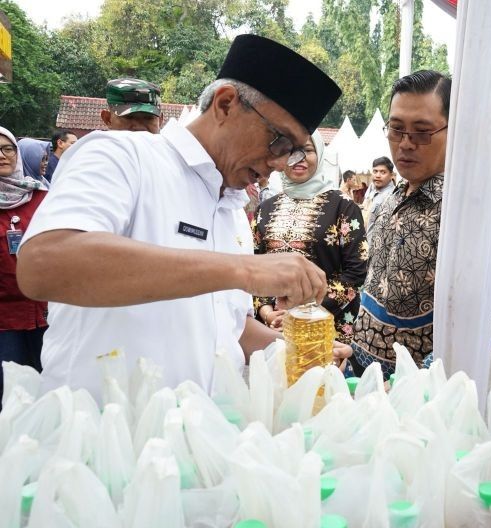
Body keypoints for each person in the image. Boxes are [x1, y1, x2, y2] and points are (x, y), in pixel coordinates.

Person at [15, 35, 350, 401]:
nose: (281, 163)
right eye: (280, 142)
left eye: (294, 150)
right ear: (225, 105)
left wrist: (296, 350)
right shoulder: (123, 155)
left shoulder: (232, 210)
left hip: (194, 441)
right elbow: (45, 262)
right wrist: (245, 270)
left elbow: (223, 328)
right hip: (103, 440)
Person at [351, 70, 450, 377]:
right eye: (396, 130)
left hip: (415, 398)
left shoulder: (459, 213)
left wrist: (419, 384)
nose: (406, 144)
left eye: (422, 132)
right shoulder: (390, 200)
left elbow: (488, 321)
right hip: (362, 377)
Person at [252, 130, 367, 344]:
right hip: (274, 330)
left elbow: (356, 272)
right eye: (291, 151)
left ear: (320, 154)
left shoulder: (343, 206)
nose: (300, 158)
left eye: (307, 150)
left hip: (328, 330)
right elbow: (255, 265)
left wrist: (305, 313)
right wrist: (267, 312)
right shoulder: (265, 209)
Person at [0, 126, 49, 402]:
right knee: (10, 394)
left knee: (49, 387)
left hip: (44, 314)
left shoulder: (40, 197)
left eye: (8, 149)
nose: (2, 156)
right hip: (4, 320)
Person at [362, 156, 396, 234]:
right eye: (375, 171)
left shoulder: (392, 196)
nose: (378, 175)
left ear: (391, 175)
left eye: (383, 172)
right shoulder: (372, 190)